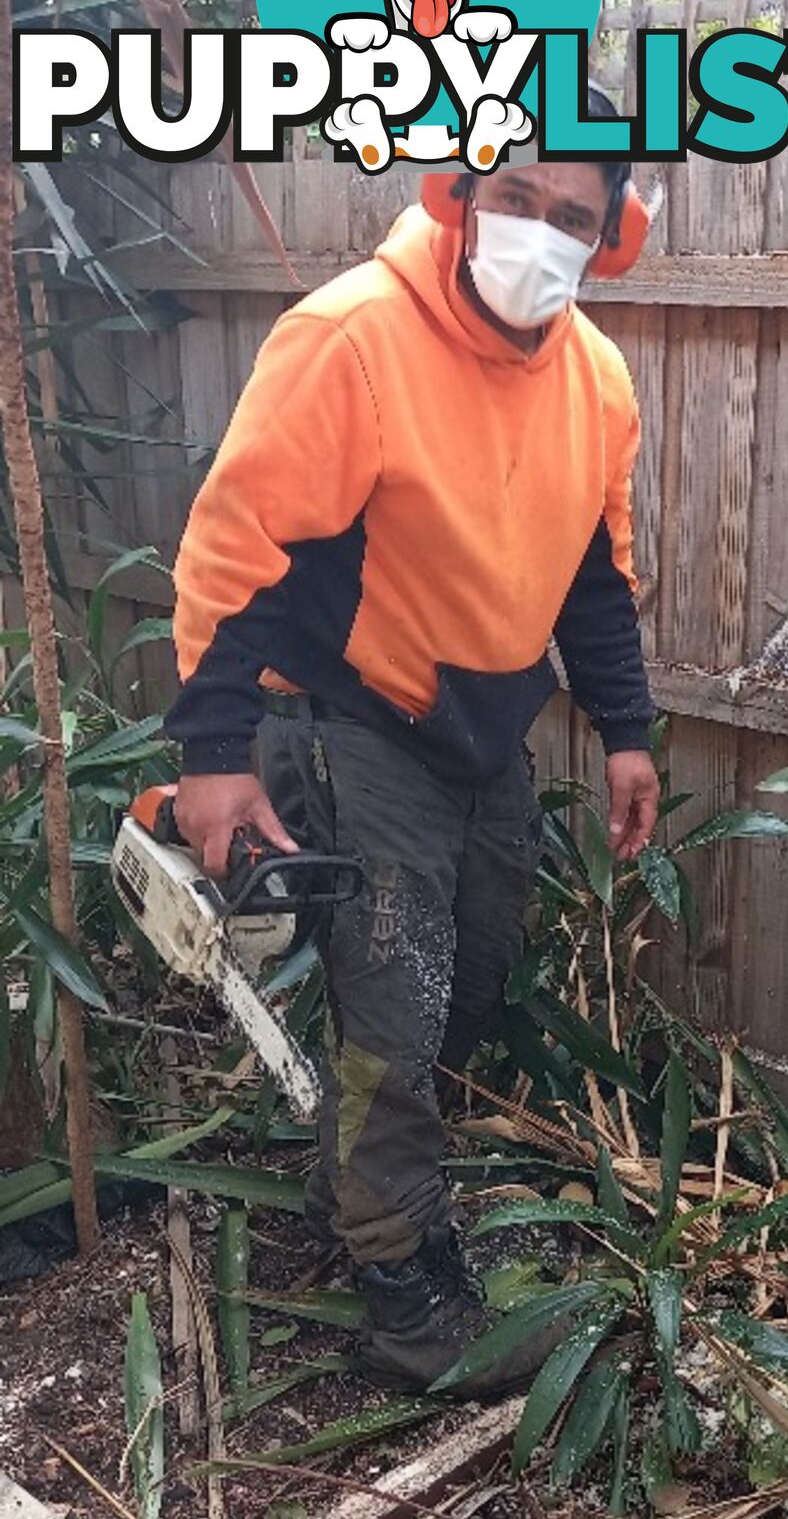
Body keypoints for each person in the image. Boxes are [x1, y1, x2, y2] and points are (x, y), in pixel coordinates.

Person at [165, 93, 659, 1394]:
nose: (539, 233)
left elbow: (595, 580)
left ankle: (374, 1155)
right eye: (517, 199)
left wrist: (626, 732)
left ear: (608, 240)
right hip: (356, 711)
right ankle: (400, 1285)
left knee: (474, 973)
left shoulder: (595, 379)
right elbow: (238, 552)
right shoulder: (350, 340)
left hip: (488, 728)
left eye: (573, 217)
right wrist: (214, 752)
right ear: (460, 192)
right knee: (398, 988)